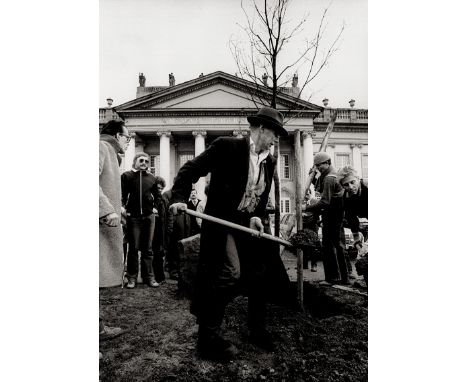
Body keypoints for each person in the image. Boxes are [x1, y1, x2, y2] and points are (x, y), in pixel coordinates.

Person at [169, 106, 291, 361]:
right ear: (259, 129)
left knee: (261, 272)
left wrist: (256, 216)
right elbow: (189, 170)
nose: (277, 138)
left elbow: (259, 195)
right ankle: (208, 335)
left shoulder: (269, 161)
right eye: (274, 133)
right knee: (228, 272)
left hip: (246, 224)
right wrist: (179, 198)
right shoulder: (227, 147)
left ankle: (256, 328)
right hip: (221, 222)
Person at [99, 120, 129, 340]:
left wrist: (119, 208)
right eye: (127, 137)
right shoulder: (100, 147)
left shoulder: (109, 152)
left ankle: (97, 328)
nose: (128, 142)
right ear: (118, 136)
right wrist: (107, 210)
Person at [305, 152, 348, 285]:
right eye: (317, 166)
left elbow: (325, 202)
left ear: (328, 162)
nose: (319, 168)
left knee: (330, 247)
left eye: (321, 165)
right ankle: (343, 277)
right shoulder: (328, 175)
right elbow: (319, 187)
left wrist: (307, 207)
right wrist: (312, 177)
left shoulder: (330, 178)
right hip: (334, 215)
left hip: (333, 215)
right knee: (337, 246)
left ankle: (333, 278)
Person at [121, 153, 161, 289]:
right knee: (133, 248)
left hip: (149, 217)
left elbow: (158, 196)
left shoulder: (152, 178)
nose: (144, 162)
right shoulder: (127, 176)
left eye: (146, 161)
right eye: (141, 160)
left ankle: (148, 277)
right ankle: (131, 278)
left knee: (148, 249)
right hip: (133, 217)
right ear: (135, 162)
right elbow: (122, 194)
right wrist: (123, 208)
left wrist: (155, 208)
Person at [337, 165, 368, 246]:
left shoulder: (368, 188)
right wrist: (356, 239)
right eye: (346, 185)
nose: (350, 187)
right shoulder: (346, 197)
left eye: (352, 182)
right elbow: (351, 218)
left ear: (358, 178)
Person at [152, 176, 168, 283]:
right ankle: (157, 276)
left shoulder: (163, 199)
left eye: (162, 188)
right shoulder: (150, 199)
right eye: (158, 188)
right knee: (154, 253)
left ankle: (159, 276)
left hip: (161, 230)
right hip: (153, 230)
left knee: (160, 253)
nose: (160, 190)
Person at [302, 188, 319, 272]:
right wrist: (301, 214)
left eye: (308, 194)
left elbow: (317, 213)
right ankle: (304, 265)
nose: (306, 196)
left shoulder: (315, 202)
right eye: (305, 195)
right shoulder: (301, 202)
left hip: (313, 226)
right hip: (304, 226)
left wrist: (307, 214)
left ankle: (314, 265)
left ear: (310, 194)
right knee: (304, 245)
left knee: (313, 247)